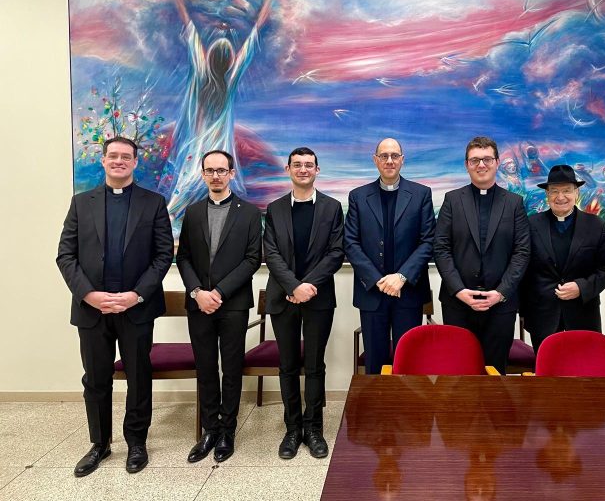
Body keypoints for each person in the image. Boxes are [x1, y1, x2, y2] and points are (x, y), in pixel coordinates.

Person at [56, 136, 173, 477]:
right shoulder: (81, 203)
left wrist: (135, 295)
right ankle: (100, 443)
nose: (119, 161)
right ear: (103, 160)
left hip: (136, 309)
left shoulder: (154, 203)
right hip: (92, 310)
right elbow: (65, 255)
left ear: (135, 162)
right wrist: (89, 294)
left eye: (126, 156)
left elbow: (163, 256)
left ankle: (137, 442)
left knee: (138, 377)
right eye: (113, 156)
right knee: (95, 379)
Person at [175, 150, 262, 463]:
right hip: (199, 304)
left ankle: (227, 430)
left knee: (232, 368)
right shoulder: (193, 212)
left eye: (221, 170)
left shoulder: (249, 213)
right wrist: (198, 292)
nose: (216, 176)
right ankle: (209, 429)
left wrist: (219, 292)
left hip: (233, 303)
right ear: (202, 174)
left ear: (231, 173)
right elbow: (183, 257)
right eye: (210, 170)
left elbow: (252, 259)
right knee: (206, 367)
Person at [160, 0, 272, 227]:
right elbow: (251, 39)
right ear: (230, 59)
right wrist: (266, 5)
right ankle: (201, 219)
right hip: (220, 143)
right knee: (218, 179)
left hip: (197, 142)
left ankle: (174, 215)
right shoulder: (230, 80)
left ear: (209, 55)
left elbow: (190, 29)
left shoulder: (201, 73)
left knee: (191, 177)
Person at [263, 147, 344, 459]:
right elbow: (271, 253)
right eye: (297, 165)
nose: (303, 169)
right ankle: (292, 429)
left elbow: (336, 252)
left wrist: (308, 286)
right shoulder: (274, 209)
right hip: (283, 298)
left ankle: (314, 429)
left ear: (317, 170)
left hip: (318, 298)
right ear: (288, 169)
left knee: (314, 365)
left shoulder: (332, 207)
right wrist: (294, 286)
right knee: (287, 365)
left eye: (309, 165)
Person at [433, 136, 530, 373]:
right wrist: (459, 290)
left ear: (497, 163)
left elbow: (522, 252)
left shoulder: (514, 203)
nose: (481, 165)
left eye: (487, 159)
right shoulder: (452, 200)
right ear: (467, 165)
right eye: (475, 160)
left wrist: (501, 292)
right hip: (458, 304)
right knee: (459, 372)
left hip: (500, 305)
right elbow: (441, 248)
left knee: (495, 372)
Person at [344, 138, 435, 374]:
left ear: (402, 160)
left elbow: (428, 241)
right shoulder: (358, 196)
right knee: (375, 365)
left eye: (395, 156)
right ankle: (376, 401)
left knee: (408, 363)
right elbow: (350, 243)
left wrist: (402, 276)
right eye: (384, 156)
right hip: (372, 293)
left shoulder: (421, 194)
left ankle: (407, 401)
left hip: (409, 292)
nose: (389, 161)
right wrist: (377, 280)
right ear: (375, 160)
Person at [520, 165, 605, 351]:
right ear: (547, 194)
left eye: (566, 190)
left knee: (583, 366)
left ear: (576, 193)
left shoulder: (596, 226)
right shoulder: (531, 225)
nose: (561, 197)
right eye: (554, 191)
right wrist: (522, 310)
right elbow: (523, 270)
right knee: (546, 367)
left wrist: (581, 287)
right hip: (542, 316)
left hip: (583, 314)